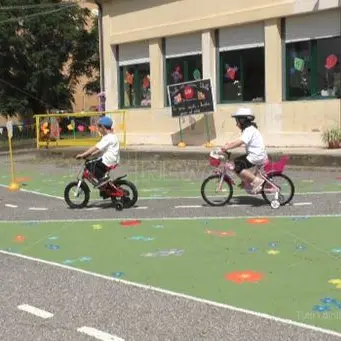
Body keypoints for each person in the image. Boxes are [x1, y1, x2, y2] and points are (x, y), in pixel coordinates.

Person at [222, 107, 267, 194]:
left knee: (237, 166)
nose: (236, 124)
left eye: (237, 121)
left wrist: (227, 147)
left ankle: (256, 181)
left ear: (243, 120)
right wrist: (230, 143)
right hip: (255, 155)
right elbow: (240, 140)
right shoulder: (249, 130)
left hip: (256, 156)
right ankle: (247, 180)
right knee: (236, 163)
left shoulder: (249, 130)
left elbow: (240, 142)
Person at [75, 115, 120, 187]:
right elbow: (102, 148)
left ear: (103, 127)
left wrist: (83, 155)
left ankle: (103, 179)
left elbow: (95, 147)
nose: (98, 129)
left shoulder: (107, 138)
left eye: (99, 127)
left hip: (108, 161)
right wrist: (93, 154)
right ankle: (105, 184)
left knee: (89, 164)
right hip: (114, 160)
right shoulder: (112, 136)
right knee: (95, 162)